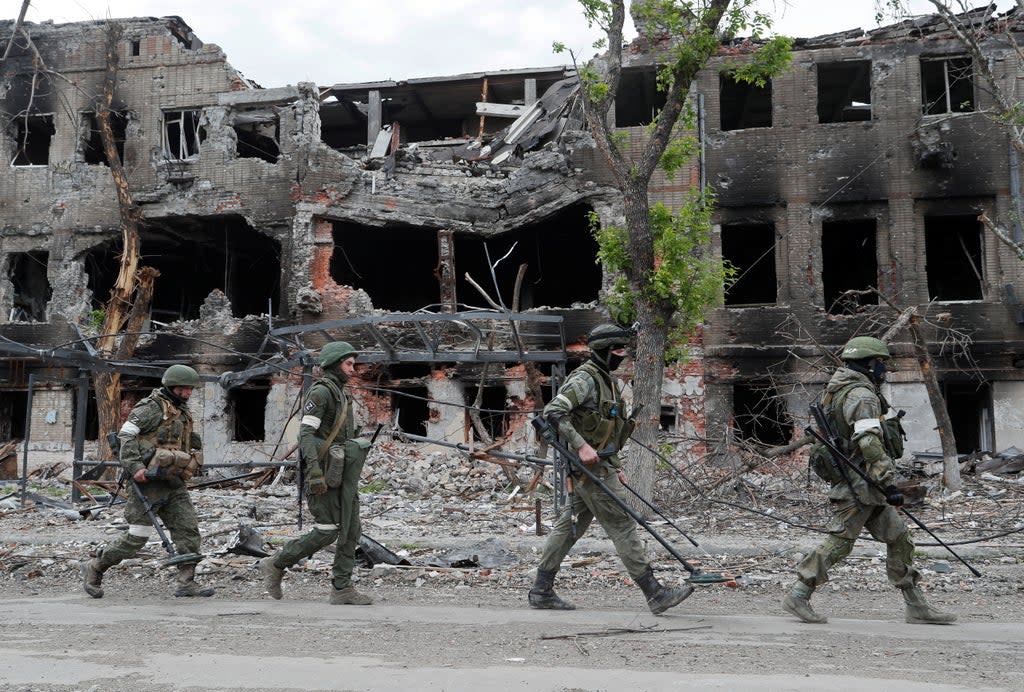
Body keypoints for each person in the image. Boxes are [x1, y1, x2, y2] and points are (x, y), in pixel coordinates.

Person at [783, 336, 956, 625]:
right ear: (869, 363)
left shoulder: (841, 388)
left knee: (899, 539)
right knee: (840, 543)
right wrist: (889, 484)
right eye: (881, 363)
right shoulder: (861, 396)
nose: (884, 368)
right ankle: (798, 595)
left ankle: (916, 606)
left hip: (867, 483)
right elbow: (869, 442)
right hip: (860, 484)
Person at [528, 323, 693, 615]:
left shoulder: (607, 381)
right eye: (617, 350)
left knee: (569, 527)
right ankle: (654, 593)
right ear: (603, 351)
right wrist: (580, 445)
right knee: (623, 524)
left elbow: (608, 432)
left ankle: (541, 590)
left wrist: (614, 464)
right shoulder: (585, 379)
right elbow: (553, 411)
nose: (622, 355)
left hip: (599, 466)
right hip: (588, 469)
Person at [80, 364, 213, 598]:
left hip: (173, 482)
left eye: (190, 389)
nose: (188, 393)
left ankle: (186, 582)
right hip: (147, 483)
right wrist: (135, 467)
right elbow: (126, 436)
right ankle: (96, 566)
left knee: (188, 530)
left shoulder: (181, 410)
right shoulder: (150, 408)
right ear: (171, 386)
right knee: (138, 536)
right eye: (184, 389)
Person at [259, 341, 373, 605]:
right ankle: (276, 563)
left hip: (342, 471)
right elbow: (306, 434)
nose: (353, 369)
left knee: (351, 529)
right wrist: (313, 471)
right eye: (349, 364)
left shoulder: (342, 393)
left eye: (353, 364)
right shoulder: (321, 393)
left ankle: (342, 588)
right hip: (323, 471)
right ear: (335, 364)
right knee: (327, 529)